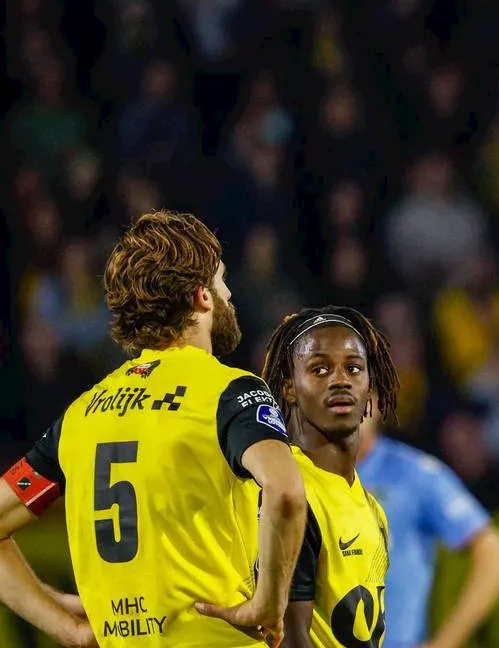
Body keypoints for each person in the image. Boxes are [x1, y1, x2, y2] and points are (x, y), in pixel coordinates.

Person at [0, 210, 308, 647]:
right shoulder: (229, 392)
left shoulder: (81, 415)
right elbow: (288, 492)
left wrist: (65, 627)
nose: (230, 292)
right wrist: (268, 604)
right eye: (222, 281)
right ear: (202, 297)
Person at [258, 307, 398, 647]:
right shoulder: (290, 489)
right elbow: (289, 640)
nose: (340, 380)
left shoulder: (370, 506)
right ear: (289, 388)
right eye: (319, 369)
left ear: (369, 388)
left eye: (353, 368)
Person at [356, 401, 499, 648]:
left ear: (378, 403)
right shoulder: (294, 471)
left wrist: (443, 644)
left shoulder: (413, 474)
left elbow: (496, 559)